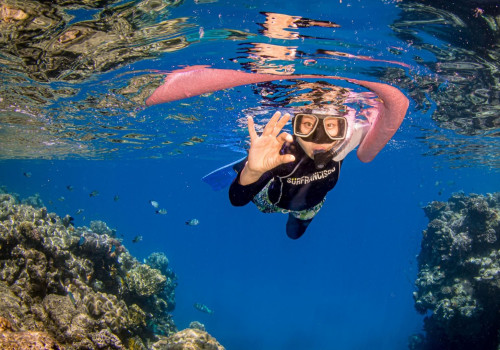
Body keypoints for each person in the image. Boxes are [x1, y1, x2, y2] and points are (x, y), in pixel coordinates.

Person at [229, 79, 409, 239]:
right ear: (296, 126)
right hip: (270, 202)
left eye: (331, 125)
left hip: (312, 205)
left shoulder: (343, 143)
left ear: (343, 127)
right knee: (254, 175)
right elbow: (237, 200)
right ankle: (245, 167)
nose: (320, 138)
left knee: (294, 235)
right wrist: (253, 171)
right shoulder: (284, 155)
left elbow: (382, 119)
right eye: (308, 124)